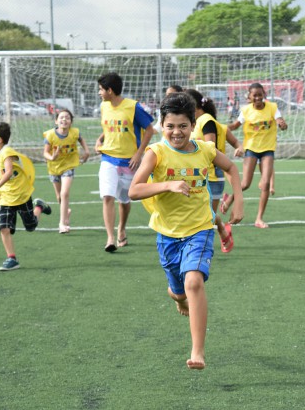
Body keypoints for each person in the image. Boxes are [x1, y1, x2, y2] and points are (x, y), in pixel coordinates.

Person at [129, 92, 244, 370]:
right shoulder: (156, 153)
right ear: (161, 126)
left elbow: (230, 168)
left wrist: (238, 200)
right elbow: (134, 190)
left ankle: (197, 352)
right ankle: (178, 298)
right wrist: (167, 185)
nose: (176, 132)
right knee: (178, 291)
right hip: (167, 232)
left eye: (182, 126)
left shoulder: (204, 150)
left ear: (193, 125)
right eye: (170, 126)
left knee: (194, 282)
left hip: (200, 228)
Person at [95, 72, 155, 252]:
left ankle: (121, 227)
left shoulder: (133, 107)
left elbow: (150, 130)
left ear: (110, 90)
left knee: (124, 200)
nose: (99, 93)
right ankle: (110, 238)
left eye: (101, 89)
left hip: (130, 163)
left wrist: (139, 153)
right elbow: (109, 128)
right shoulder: (104, 106)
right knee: (107, 196)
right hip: (108, 160)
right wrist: (100, 140)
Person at [0, 122, 52, 271]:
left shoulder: (7, 152)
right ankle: (11, 258)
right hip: (6, 198)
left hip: (22, 195)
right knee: (4, 227)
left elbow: (8, 172)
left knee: (31, 226)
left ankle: (39, 206)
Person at [186, 88, 244, 253]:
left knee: (205, 215)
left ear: (193, 105)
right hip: (198, 175)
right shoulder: (196, 123)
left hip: (211, 175)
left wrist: (239, 148)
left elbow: (209, 149)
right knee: (200, 213)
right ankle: (219, 231)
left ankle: (214, 237)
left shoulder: (206, 120)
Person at [223, 82, 287, 228]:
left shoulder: (272, 107)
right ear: (250, 97)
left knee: (265, 184)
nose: (258, 98)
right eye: (255, 95)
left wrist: (283, 124)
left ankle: (259, 219)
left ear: (264, 94)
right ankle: (230, 198)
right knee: (245, 184)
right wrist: (223, 128)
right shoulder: (245, 110)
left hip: (267, 149)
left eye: (260, 94)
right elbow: (235, 125)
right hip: (251, 149)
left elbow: (280, 121)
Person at [43, 109, 90, 234]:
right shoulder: (50, 135)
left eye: (67, 118)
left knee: (64, 194)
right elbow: (45, 152)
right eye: (62, 117)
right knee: (59, 196)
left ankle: (62, 223)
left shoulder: (74, 133)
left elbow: (81, 140)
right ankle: (66, 211)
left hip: (69, 166)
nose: (64, 119)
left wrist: (87, 151)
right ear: (56, 121)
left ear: (71, 122)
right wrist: (52, 157)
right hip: (54, 167)